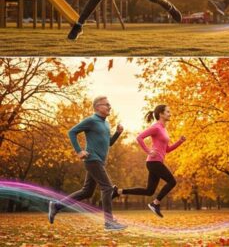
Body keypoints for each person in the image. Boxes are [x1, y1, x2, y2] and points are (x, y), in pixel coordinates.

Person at [48, 96, 126, 231]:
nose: (109, 107)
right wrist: (79, 151)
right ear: (97, 107)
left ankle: (56, 206)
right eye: (106, 105)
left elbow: (109, 143)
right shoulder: (91, 120)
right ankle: (109, 222)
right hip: (92, 159)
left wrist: (117, 133)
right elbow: (71, 132)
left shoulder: (106, 124)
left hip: (99, 162)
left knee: (87, 192)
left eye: (109, 104)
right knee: (107, 188)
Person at [114, 105, 185, 218]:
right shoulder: (156, 127)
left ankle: (118, 191)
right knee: (172, 181)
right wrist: (148, 151)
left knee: (149, 191)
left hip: (156, 162)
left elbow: (167, 149)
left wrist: (179, 142)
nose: (170, 114)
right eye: (168, 112)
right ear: (161, 114)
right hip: (154, 162)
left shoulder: (163, 129)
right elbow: (139, 137)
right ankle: (155, 203)